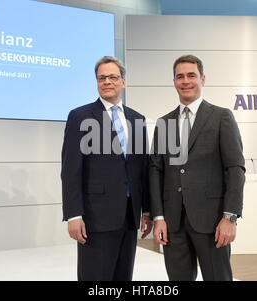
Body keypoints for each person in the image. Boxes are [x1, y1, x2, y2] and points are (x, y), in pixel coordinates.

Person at [149, 55, 245, 281]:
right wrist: (158, 217)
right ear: (174, 81)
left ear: (202, 79)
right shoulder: (164, 123)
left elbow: (235, 169)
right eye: (179, 76)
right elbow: (155, 171)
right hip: (173, 224)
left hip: (212, 222)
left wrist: (229, 217)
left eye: (191, 75)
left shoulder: (221, 117)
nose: (185, 81)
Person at [61, 56, 152, 281]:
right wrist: (73, 214)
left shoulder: (137, 119)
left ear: (123, 81)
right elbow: (71, 169)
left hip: (130, 218)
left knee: (123, 278)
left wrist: (147, 211)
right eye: (102, 78)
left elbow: (142, 169)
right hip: (96, 218)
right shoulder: (80, 116)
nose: (107, 82)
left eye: (113, 77)